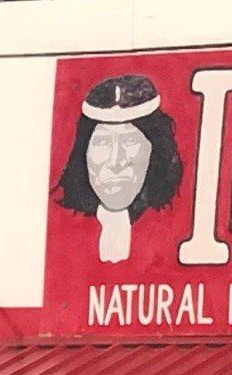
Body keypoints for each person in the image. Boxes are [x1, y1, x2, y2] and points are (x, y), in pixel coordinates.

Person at [54, 72, 185, 263]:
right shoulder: (62, 239)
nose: (116, 162)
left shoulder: (170, 233)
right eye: (103, 143)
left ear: (154, 151)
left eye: (130, 141)